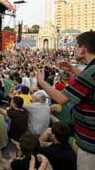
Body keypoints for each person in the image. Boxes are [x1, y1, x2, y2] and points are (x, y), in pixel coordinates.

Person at [37, 31, 95, 170]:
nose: (73, 49)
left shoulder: (92, 70)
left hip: (90, 146)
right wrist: (73, 69)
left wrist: (41, 81)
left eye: (76, 46)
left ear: (83, 50)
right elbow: (89, 81)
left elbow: (61, 98)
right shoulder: (91, 69)